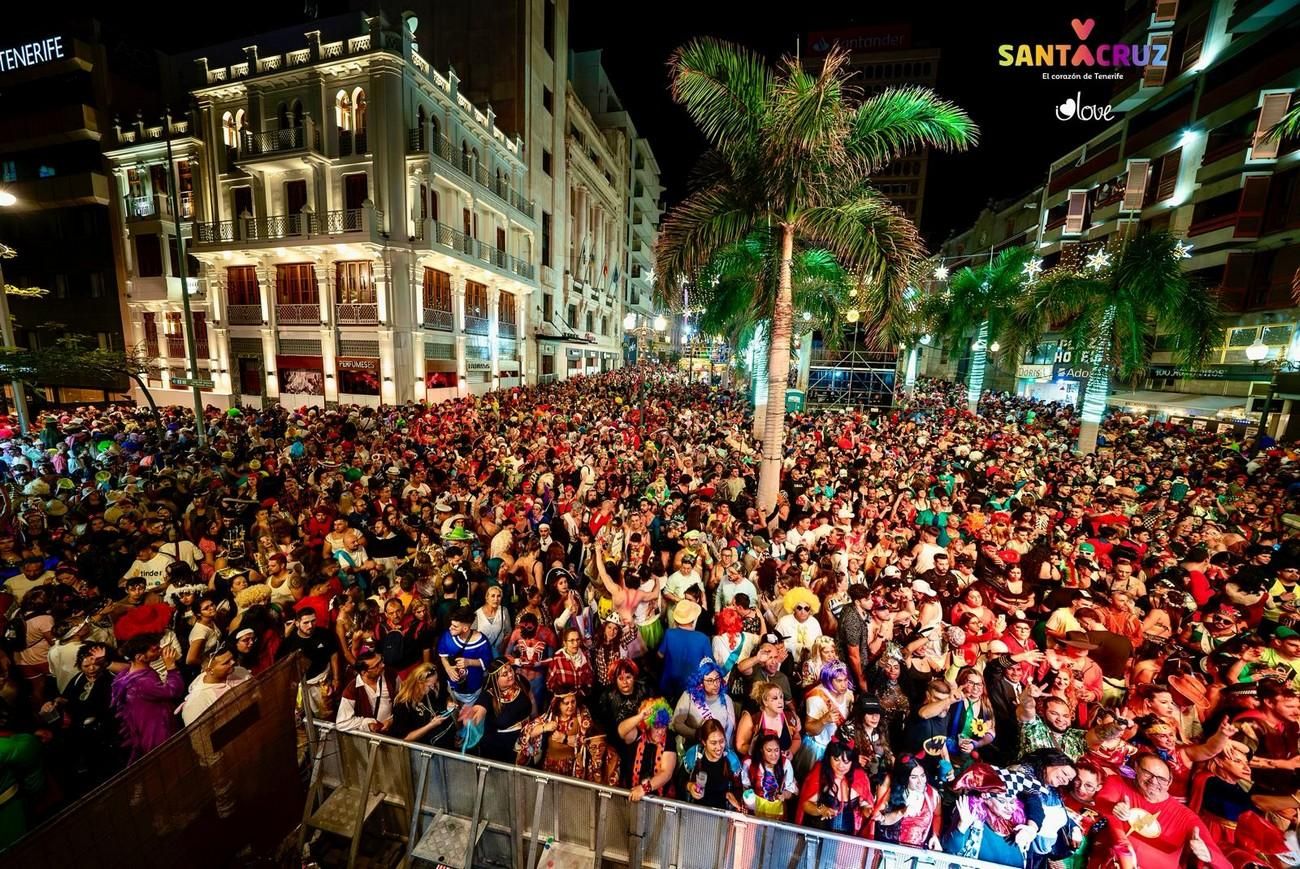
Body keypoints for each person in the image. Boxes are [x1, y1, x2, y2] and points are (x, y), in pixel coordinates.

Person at [1091, 753, 1231, 869]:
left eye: (1161, 779)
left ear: (1169, 783)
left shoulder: (1187, 818)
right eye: (1147, 773)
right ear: (1136, 769)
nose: (1153, 781)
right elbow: (1100, 800)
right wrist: (1112, 807)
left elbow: (1226, 866)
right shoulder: (1118, 783)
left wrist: (1209, 856)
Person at [109, 632, 185, 763]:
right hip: (156, 730)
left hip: (145, 727)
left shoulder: (127, 674)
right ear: (140, 657)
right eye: (154, 650)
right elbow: (173, 691)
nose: (160, 651)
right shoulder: (142, 682)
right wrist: (171, 666)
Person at [869, 756, 942, 849]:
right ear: (905, 777)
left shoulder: (932, 795)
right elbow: (882, 821)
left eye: (923, 776)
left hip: (916, 852)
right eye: (914, 777)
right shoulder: (893, 793)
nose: (920, 781)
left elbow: (937, 815)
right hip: (889, 849)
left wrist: (935, 835)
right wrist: (901, 812)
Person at [680, 719, 744, 812]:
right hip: (695, 811)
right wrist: (689, 786)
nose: (719, 747)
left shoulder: (732, 760)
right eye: (713, 743)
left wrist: (733, 797)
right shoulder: (693, 754)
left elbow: (739, 788)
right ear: (704, 742)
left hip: (722, 813)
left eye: (722, 741)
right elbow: (679, 780)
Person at [390, 662, 458, 746]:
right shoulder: (403, 705)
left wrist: (449, 703)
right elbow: (404, 739)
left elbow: (445, 697)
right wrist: (431, 725)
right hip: (423, 750)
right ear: (419, 683)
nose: (433, 687)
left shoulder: (430, 691)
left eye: (435, 683)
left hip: (444, 742)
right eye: (430, 685)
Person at [180, 648, 251, 725]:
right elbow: (200, 734)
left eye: (232, 659)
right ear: (210, 670)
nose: (233, 662)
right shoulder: (196, 703)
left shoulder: (241, 671)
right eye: (226, 662)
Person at [438, 606, 494, 704]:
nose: (450, 628)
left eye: (455, 626)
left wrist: (469, 662)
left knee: (468, 717)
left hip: (472, 691)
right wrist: (448, 668)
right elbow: (443, 656)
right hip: (452, 687)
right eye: (451, 624)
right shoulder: (447, 636)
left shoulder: (482, 642)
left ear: (465, 628)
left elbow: (488, 662)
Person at [336, 648, 397, 734]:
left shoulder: (391, 675)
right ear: (364, 672)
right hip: (366, 740)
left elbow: (402, 700)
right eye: (377, 665)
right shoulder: (352, 690)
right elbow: (341, 723)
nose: (382, 665)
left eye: (381, 661)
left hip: (392, 734)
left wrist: (392, 720)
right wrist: (368, 724)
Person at [741, 732, 798, 819]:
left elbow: (791, 791)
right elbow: (746, 789)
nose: (774, 755)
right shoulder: (750, 764)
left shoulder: (785, 764)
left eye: (776, 750)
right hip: (755, 809)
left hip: (777, 810)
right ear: (761, 750)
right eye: (769, 750)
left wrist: (784, 795)